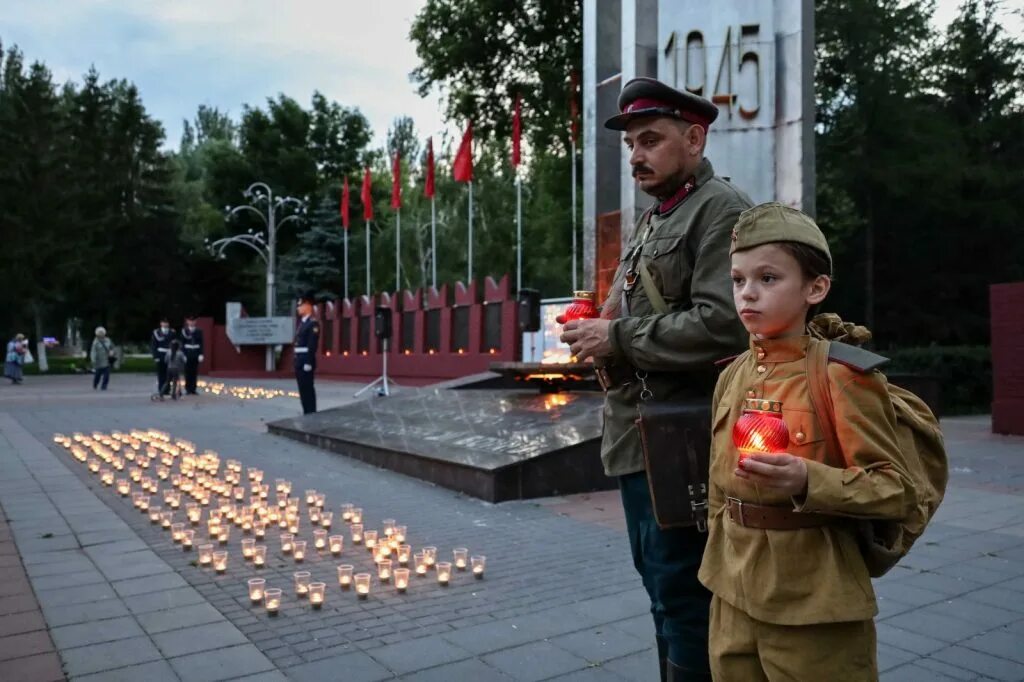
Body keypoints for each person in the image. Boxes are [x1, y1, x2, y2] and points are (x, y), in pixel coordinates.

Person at [560, 77, 751, 681]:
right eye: (631, 145)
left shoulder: (720, 208)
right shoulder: (655, 217)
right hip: (638, 435)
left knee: (685, 595)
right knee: (661, 587)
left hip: (683, 436)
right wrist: (596, 329)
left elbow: (726, 324)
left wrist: (615, 337)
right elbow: (635, 312)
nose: (637, 155)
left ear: (693, 139)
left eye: (651, 140)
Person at [699, 203, 916, 681]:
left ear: (815, 288)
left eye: (768, 278)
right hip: (731, 589)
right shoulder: (732, 375)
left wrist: (807, 479)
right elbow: (718, 483)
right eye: (738, 280)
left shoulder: (840, 375)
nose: (747, 293)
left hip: (813, 598)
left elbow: (897, 490)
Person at [293, 291, 320, 414]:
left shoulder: (312, 324)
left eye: (300, 305)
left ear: (308, 305)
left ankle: (311, 412)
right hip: (299, 360)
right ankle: (306, 411)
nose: (298, 308)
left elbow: (312, 345)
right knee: (302, 390)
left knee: (308, 389)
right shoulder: (302, 324)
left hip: (305, 362)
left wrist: (308, 362)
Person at [150, 317, 175, 396]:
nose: (165, 324)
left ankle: (167, 389)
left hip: (169, 354)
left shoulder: (172, 332)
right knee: (161, 373)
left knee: (169, 373)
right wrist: (155, 356)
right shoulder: (156, 332)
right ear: (161, 323)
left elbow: (175, 344)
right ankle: (161, 389)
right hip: (160, 354)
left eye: (166, 323)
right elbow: (154, 345)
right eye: (163, 322)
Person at [180, 315, 205, 395]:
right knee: (187, 372)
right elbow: (182, 344)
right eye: (190, 321)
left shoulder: (199, 331)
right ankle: (188, 389)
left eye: (193, 321)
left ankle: (193, 389)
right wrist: (183, 354)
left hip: (195, 353)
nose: (191, 322)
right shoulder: (184, 331)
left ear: (195, 322)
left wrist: (201, 354)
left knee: (194, 372)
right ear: (187, 322)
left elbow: (201, 343)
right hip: (187, 353)